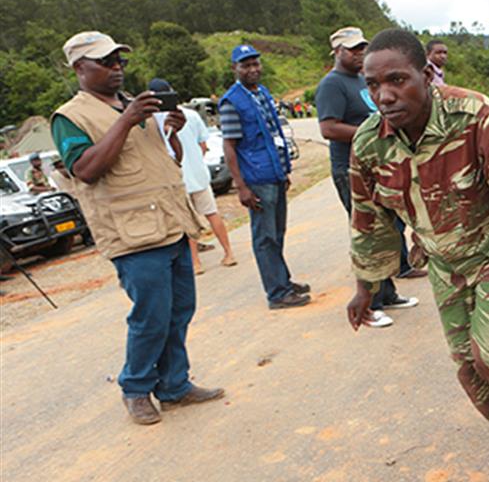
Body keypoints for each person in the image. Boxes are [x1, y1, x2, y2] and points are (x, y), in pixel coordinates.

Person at [346, 29, 489, 482]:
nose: (385, 95)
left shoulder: (472, 115)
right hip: (444, 266)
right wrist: (365, 288)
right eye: (373, 85)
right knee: (470, 371)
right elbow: (368, 221)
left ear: (427, 74)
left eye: (397, 79)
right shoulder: (370, 144)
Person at [50, 31, 223, 425]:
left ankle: (174, 384)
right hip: (132, 234)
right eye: (105, 62)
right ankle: (135, 387)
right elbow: (86, 170)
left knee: (180, 309)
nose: (116, 68)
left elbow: (164, 160)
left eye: (119, 61)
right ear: (79, 68)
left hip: (170, 221)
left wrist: (172, 132)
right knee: (151, 315)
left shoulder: (133, 105)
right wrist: (127, 122)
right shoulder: (69, 117)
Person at [315, 26, 419, 328]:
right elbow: (328, 128)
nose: (359, 53)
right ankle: (370, 303)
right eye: (352, 49)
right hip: (352, 167)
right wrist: (376, 133)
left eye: (362, 47)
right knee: (367, 229)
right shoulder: (332, 84)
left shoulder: (363, 79)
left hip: (381, 164)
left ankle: (387, 293)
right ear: (337, 52)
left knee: (391, 226)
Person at [218, 44, 310, 308]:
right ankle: (277, 294)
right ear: (234, 68)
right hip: (257, 178)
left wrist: (284, 171)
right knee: (264, 237)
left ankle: (282, 281)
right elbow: (230, 146)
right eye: (245, 65)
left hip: (274, 174)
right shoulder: (232, 102)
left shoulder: (263, 93)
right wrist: (241, 187)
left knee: (277, 233)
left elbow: (273, 136)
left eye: (255, 63)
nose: (252, 69)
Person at [148, 78, 236, 275]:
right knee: (212, 213)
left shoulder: (154, 121)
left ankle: (196, 263)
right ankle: (229, 253)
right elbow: (203, 145)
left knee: (188, 222)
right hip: (199, 174)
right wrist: (195, 160)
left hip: (177, 179)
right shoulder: (190, 115)